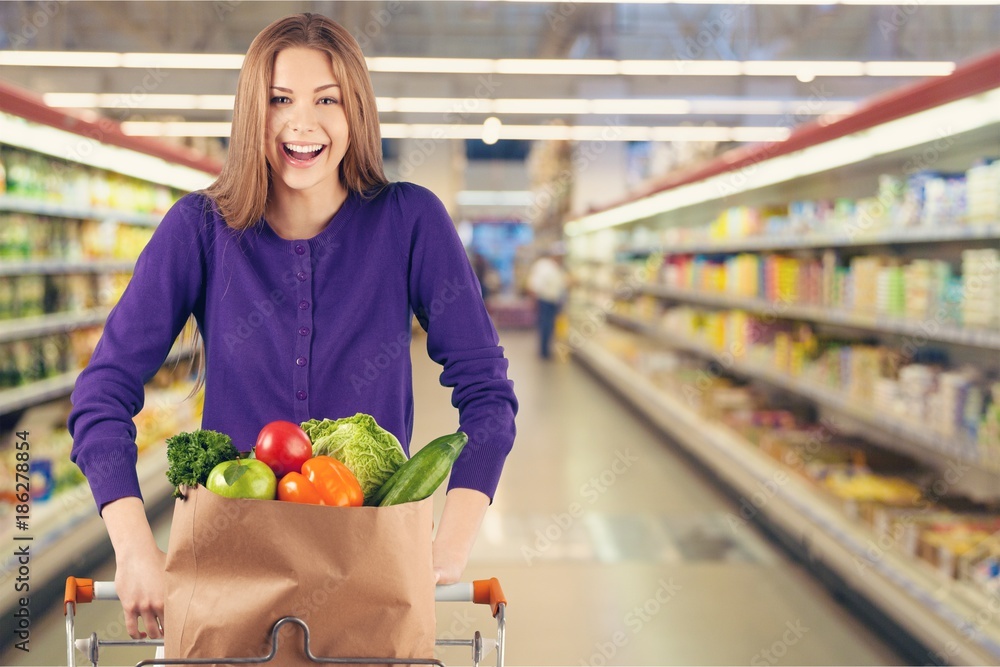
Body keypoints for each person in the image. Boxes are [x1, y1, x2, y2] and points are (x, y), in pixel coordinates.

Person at [68, 13, 517, 642]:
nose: (302, 123)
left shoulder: (411, 222)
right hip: (229, 567)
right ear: (254, 112)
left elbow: (487, 394)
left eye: (326, 100)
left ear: (356, 111)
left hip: (370, 566)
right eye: (280, 99)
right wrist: (136, 549)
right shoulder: (198, 229)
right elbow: (102, 391)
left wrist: (447, 544)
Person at [526, 245, 569, 359]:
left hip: (553, 300)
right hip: (545, 300)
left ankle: (546, 349)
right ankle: (544, 351)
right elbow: (536, 284)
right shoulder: (546, 267)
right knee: (546, 325)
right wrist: (534, 297)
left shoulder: (556, 268)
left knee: (549, 326)